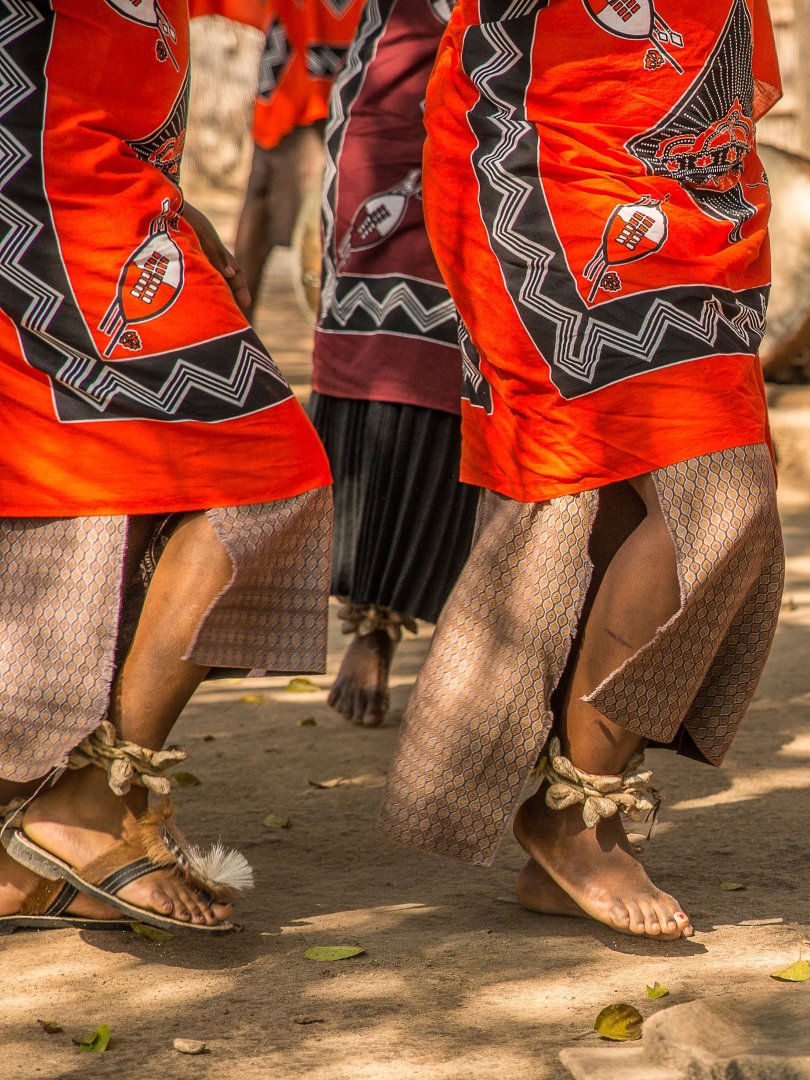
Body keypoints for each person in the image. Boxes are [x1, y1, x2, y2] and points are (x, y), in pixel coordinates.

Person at [378, 0, 786, 941]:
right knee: (719, 501)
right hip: (555, 179)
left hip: (698, 192)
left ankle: (575, 826)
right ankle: (577, 806)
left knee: (626, 502)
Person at [0, 3, 333, 935]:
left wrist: (169, 200)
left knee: (117, 497)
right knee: (268, 472)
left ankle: (29, 858)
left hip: (108, 203)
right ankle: (89, 807)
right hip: (48, 209)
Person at [309, 0, 478, 728]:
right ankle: (371, 628)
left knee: (456, 377)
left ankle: (473, 644)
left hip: (496, 108)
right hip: (393, 100)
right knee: (383, 364)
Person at [233, 0, 365, 314]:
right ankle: (237, 327)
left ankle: (338, 334)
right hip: (298, 48)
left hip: (363, 45)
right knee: (266, 192)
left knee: (349, 206)